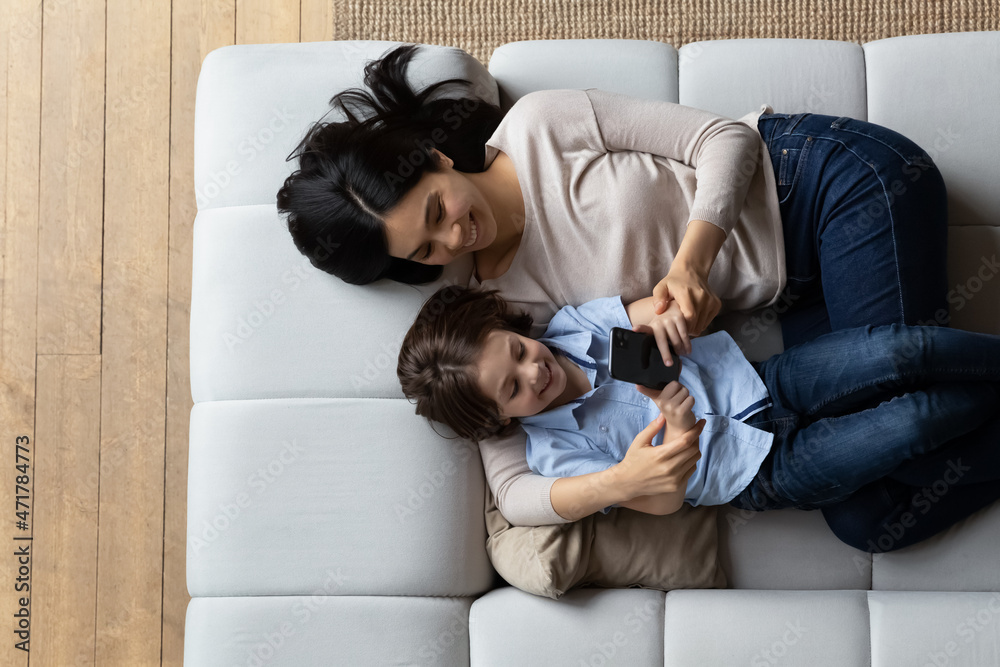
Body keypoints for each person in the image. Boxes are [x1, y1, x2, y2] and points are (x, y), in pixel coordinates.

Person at [276, 43, 964, 550]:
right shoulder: (503, 312)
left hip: (824, 186)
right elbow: (518, 489)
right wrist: (619, 482)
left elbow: (721, 138)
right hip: (799, 291)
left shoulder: (541, 127)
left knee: (905, 403)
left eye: (434, 211)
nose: (452, 238)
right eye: (425, 251)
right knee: (869, 516)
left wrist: (692, 264)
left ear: (435, 158)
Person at [397, 285, 1000, 550]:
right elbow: (660, 502)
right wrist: (678, 431)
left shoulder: (573, 328)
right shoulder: (553, 456)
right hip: (761, 472)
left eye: (520, 351)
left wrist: (664, 318)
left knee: (902, 351)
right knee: (911, 423)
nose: (535, 371)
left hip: (767, 378)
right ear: (500, 420)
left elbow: (655, 310)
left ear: (513, 329)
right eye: (513, 388)